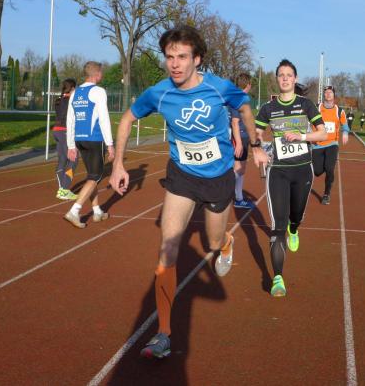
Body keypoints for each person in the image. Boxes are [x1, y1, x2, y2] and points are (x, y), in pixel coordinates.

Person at [109, 25, 267, 359]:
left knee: (212, 241)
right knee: (167, 248)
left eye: (182, 57)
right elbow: (126, 120)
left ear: (197, 59)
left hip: (218, 178)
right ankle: (163, 333)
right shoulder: (159, 93)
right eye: (170, 57)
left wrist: (255, 143)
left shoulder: (218, 88)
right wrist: (118, 165)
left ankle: (226, 243)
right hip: (181, 176)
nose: (175, 64)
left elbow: (245, 108)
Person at [255, 59, 327, 297]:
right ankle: (277, 277)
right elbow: (256, 133)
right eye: (281, 75)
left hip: (302, 170)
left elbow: (322, 134)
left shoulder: (306, 105)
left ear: (295, 79)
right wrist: (256, 149)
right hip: (278, 171)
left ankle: (294, 229)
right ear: (277, 79)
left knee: (296, 216)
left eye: (289, 75)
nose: (285, 78)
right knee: (277, 226)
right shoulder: (268, 108)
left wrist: (301, 136)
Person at [63, 61, 114, 228]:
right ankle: (74, 211)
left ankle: (97, 211)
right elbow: (104, 118)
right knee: (95, 176)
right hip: (94, 138)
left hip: (80, 139)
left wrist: (71, 145)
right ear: (97, 74)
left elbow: (70, 119)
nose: (102, 75)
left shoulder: (75, 93)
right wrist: (110, 144)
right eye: (101, 72)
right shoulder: (99, 91)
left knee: (92, 175)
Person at [312, 85, 349, 205]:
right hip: (317, 144)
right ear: (324, 95)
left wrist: (345, 133)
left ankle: (326, 194)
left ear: (334, 95)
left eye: (330, 92)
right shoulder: (316, 108)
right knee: (317, 171)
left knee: (329, 168)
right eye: (326, 92)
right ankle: (324, 165)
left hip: (332, 143)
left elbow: (345, 124)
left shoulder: (339, 111)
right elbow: (307, 120)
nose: (328, 94)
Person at [229, 72, 257, 210]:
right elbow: (235, 122)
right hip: (239, 137)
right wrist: (239, 143)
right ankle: (236, 198)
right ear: (248, 85)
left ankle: (237, 197)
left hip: (241, 136)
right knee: (238, 168)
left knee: (240, 168)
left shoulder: (238, 97)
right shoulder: (239, 98)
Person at [53, 78, 79, 200]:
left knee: (62, 160)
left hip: (56, 131)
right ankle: (64, 189)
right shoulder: (71, 100)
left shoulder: (58, 100)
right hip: (65, 131)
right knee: (73, 159)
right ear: (73, 88)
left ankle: (61, 189)